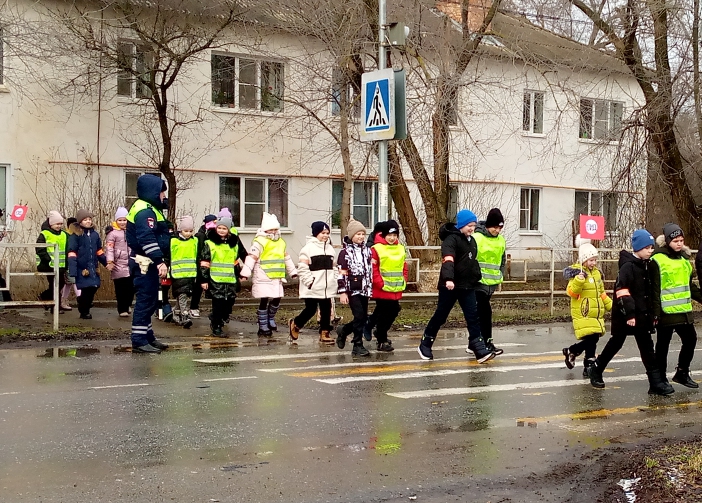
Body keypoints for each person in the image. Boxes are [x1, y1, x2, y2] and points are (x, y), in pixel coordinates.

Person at [586, 229, 674, 396]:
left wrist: (654, 313)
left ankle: (655, 383)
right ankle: (596, 370)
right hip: (626, 315)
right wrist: (630, 314)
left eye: (652, 247)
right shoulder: (628, 266)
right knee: (616, 343)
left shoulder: (649, 265)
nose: (651, 250)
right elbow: (621, 291)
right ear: (638, 248)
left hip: (643, 315)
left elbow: (652, 291)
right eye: (647, 247)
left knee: (647, 347)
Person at [417, 209, 494, 362]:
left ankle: (479, 349)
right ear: (461, 225)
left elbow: (471, 262)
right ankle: (426, 342)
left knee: (473, 317)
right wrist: (448, 279)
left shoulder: (471, 241)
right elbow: (448, 260)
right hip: (450, 286)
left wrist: (476, 276)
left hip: (467, 286)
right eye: (468, 225)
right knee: (441, 315)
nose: (471, 228)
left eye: (473, 225)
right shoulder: (451, 240)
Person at [652, 223, 702, 388]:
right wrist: (655, 313)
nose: (679, 243)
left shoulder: (684, 259)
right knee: (662, 346)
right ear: (667, 241)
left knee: (691, 340)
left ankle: (682, 372)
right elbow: (654, 289)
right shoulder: (657, 260)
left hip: (683, 310)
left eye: (681, 240)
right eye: (675, 241)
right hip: (665, 312)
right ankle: (660, 380)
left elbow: (689, 286)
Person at [125, 174, 172, 354]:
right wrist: (160, 261)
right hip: (145, 261)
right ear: (153, 192)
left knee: (151, 299)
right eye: (161, 193)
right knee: (145, 300)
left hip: (146, 260)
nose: (163, 197)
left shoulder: (147, 207)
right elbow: (146, 238)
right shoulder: (145, 210)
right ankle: (138, 340)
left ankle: (148, 336)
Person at [240, 212, 297, 337]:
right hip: (263, 275)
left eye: (275, 228)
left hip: (277, 276)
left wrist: (293, 272)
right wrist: (245, 273)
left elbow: (286, 258)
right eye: (271, 229)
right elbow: (251, 258)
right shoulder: (259, 241)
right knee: (264, 299)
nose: (273, 231)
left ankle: (270, 318)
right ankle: (263, 325)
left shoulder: (281, 242)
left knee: (277, 297)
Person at [562, 238, 612, 376]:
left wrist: (610, 304)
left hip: (596, 312)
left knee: (594, 337)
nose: (593, 263)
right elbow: (571, 292)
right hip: (583, 311)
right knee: (592, 338)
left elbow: (601, 292)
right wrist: (579, 280)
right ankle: (584, 359)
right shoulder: (577, 273)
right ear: (583, 260)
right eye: (591, 260)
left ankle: (577, 356)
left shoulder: (596, 273)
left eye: (595, 260)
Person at [289, 221, 337, 343]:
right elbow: (303, 268)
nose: (325, 235)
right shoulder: (308, 249)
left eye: (327, 233)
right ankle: (296, 323)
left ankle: (325, 332)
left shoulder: (330, 249)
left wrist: (334, 279)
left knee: (326, 309)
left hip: (327, 287)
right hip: (312, 287)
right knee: (311, 309)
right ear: (316, 234)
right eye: (322, 233)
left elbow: (335, 267)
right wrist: (310, 282)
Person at [199, 216, 246, 336]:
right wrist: (204, 279)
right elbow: (204, 262)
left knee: (229, 303)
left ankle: (220, 317)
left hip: (231, 279)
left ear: (229, 230)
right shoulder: (209, 243)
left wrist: (245, 272)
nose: (221, 230)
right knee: (218, 304)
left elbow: (243, 256)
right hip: (215, 280)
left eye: (224, 228)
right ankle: (216, 326)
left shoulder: (234, 243)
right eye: (219, 228)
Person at [335, 218, 373, 356]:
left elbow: (370, 270)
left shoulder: (367, 251)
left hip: (365, 288)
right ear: (352, 235)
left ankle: (344, 330)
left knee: (362, 318)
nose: (361, 237)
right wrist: (343, 291)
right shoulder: (345, 253)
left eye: (363, 234)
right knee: (359, 316)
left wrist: (370, 287)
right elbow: (342, 273)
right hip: (352, 289)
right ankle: (357, 344)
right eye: (358, 234)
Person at [369, 220, 407, 352]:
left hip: (396, 287)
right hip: (382, 288)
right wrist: (380, 283)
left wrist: (404, 280)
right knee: (386, 313)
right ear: (384, 235)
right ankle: (382, 340)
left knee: (393, 310)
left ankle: (380, 333)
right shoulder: (376, 248)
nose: (392, 238)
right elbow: (373, 268)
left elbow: (404, 266)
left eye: (395, 235)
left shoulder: (401, 248)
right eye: (389, 235)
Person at [473, 208, 506, 355]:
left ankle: (474, 342)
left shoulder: (501, 240)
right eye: (495, 227)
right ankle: (486, 342)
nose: (497, 230)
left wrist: (500, 274)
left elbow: (502, 260)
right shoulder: (477, 237)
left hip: (491, 283)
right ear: (488, 225)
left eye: (500, 228)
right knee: (485, 312)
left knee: (480, 314)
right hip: (478, 283)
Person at [67, 209, 107, 319]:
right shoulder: (76, 236)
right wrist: (73, 270)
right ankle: (84, 311)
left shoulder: (94, 235)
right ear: (80, 222)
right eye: (85, 220)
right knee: (86, 288)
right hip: (82, 268)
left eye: (90, 219)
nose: (88, 221)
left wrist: (106, 262)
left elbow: (99, 251)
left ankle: (83, 302)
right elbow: (72, 253)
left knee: (94, 287)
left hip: (93, 267)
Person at [36, 210, 68, 313]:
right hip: (47, 265)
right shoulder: (44, 234)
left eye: (60, 224)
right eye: (57, 224)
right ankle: (55, 307)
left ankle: (45, 298)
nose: (59, 226)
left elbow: (68, 248)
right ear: (51, 224)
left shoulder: (64, 234)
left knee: (59, 284)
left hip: (61, 265)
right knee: (55, 285)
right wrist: (48, 259)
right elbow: (40, 249)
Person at [170, 215, 198, 329]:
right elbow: (169, 255)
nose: (188, 233)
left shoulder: (194, 241)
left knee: (182, 295)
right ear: (180, 230)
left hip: (191, 273)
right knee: (182, 295)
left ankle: (176, 314)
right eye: (186, 231)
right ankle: (184, 314)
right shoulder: (174, 241)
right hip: (177, 274)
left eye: (190, 231)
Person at [105, 207, 133, 317]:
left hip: (130, 263)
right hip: (117, 264)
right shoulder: (112, 234)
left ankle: (127, 304)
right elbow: (109, 248)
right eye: (120, 220)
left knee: (131, 288)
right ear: (116, 221)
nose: (122, 222)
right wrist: (110, 261)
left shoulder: (131, 231)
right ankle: (122, 309)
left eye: (124, 220)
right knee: (120, 288)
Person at [190, 214, 217, 318]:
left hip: (211, 264)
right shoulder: (200, 235)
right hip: (201, 264)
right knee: (198, 286)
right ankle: (193, 307)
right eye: (213, 222)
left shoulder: (212, 234)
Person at [60, 217, 80, 310]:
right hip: (69, 262)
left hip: (75, 261)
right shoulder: (67, 235)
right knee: (74, 281)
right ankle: (81, 299)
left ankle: (63, 300)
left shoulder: (76, 235)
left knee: (68, 283)